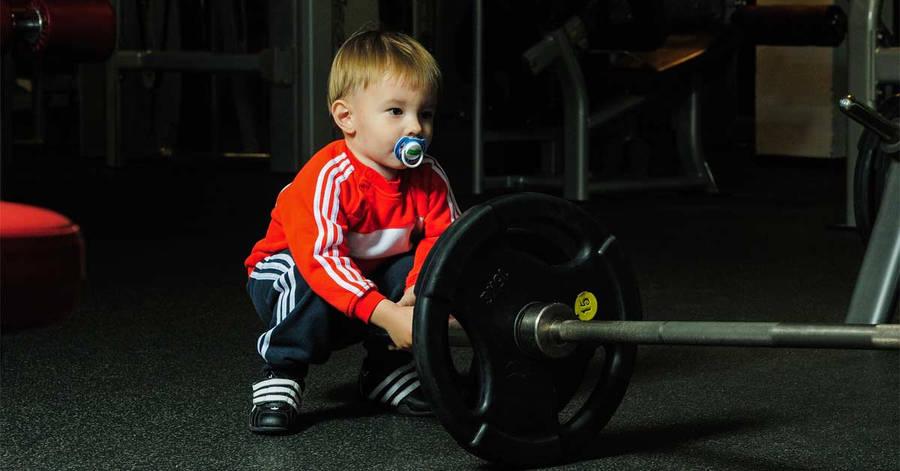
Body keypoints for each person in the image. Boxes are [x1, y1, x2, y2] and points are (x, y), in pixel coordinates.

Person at [243, 28, 459, 434]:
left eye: (424, 113)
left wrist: (416, 289)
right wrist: (386, 312)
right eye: (396, 111)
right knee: (306, 276)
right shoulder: (329, 177)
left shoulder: (429, 178)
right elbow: (322, 259)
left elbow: (443, 240)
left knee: (419, 270)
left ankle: (384, 369)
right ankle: (282, 370)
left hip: (364, 275)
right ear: (347, 118)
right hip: (288, 275)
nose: (416, 127)